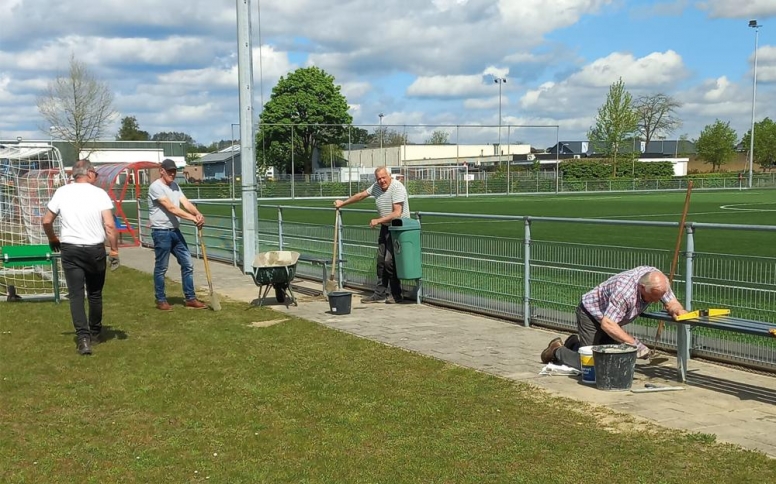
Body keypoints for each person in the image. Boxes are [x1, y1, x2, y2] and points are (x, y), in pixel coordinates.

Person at [42, 160, 119, 356]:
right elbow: (109, 226)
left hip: (71, 248)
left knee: (76, 295)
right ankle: (95, 331)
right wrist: (114, 250)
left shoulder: (62, 192)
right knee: (94, 293)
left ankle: (83, 338)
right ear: (90, 173)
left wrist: (53, 238)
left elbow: (46, 220)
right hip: (94, 249)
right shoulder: (99, 194)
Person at [540, 266, 688, 369]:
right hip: (591, 314)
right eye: (652, 297)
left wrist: (678, 310)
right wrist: (636, 345)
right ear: (642, 287)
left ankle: (573, 344)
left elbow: (671, 302)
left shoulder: (658, 282)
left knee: (612, 358)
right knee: (590, 364)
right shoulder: (624, 292)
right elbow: (608, 324)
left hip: (612, 319)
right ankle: (556, 350)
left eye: (659, 297)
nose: (656, 301)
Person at [334, 166, 410, 304]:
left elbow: (397, 213)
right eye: (378, 178)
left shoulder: (397, 187)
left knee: (389, 261)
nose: (381, 181)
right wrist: (342, 203)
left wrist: (377, 220)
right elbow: (361, 195)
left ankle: (396, 294)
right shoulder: (376, 187)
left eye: (383, 178)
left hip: (399, 228)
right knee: (381, 261)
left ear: (389, 176)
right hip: (386, 227)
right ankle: (380, 293)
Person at [148, 158, 206, 310]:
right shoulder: (156, 187)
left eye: (174, 171)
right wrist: (193, 218)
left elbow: (185, 203)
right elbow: (172, 208)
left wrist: (197, 213)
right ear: (162, 171)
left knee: (188, 264)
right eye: (169, 172)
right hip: (161, 232)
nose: (172, 174)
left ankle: (190, 298)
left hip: (175, 231)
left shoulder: (175, 186)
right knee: (161, 267)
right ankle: (161, 300)